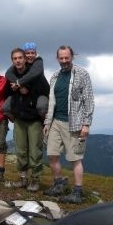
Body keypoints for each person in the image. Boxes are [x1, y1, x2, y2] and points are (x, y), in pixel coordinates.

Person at [43, 45, 94, 204]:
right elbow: (52, 102)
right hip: (55, 122)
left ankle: (77, 192)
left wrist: (86, 124)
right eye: (61, 58)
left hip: (74, 123)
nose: (64, 61)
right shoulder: (54, 77)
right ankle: (59, 183)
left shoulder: (82, 74)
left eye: (67, 58)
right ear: (57, 58)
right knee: (52, 154)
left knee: (75, 158)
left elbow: (89, 100)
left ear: (72, 57)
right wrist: (47, 122)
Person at [6, 48, 50, 191]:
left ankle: (35, 180)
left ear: (25, 59)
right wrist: (18, 87)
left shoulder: (35, 75)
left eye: (20, 58)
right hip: (19, 119)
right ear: (12, 61)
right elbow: (8, 93)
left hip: (34, 119)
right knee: (21, 151)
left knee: (35, 152)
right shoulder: (11, 75)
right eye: (15, 58)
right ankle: (23, 179)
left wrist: (25, 87)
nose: (18, 60)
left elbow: (45, 91)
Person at [3, 42, 48, 120]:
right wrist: (19, 86)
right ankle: (15, 119)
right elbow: (8, 73)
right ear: (24, 55)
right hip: (30, 91)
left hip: (42, 92)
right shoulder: (21, 62)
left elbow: (34, 73)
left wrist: (18, 83)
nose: (30, 55)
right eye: (27, 53)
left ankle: (44, 122)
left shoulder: (38, 61)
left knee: (41, 107)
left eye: (32, 53)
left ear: (36, 53)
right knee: (5, 108)